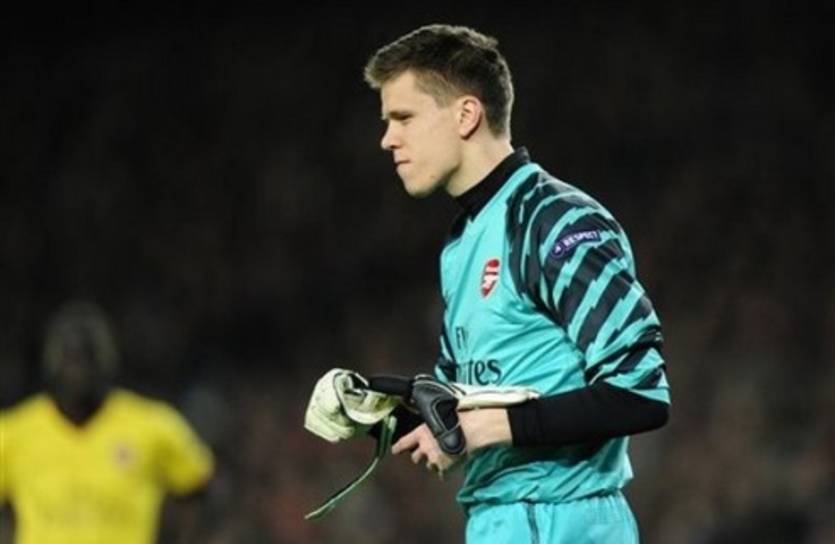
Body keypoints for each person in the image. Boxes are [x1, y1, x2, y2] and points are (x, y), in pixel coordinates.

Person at [360, 24, 671, 543]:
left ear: (466, 115)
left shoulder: (554, 221)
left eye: (404, 117)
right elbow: (470, 407)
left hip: (559, 520)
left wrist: (490, 427)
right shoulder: (461, 244)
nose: (388, 138)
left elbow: (640, 392)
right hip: (501, 521)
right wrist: (378, 414)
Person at [0, 300, 214, 544]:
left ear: (106, 362)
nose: (78, 372)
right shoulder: (15, 433)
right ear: (52, 363)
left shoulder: (153, 427)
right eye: (70, 359)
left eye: (87, 358)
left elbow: (199, 486)